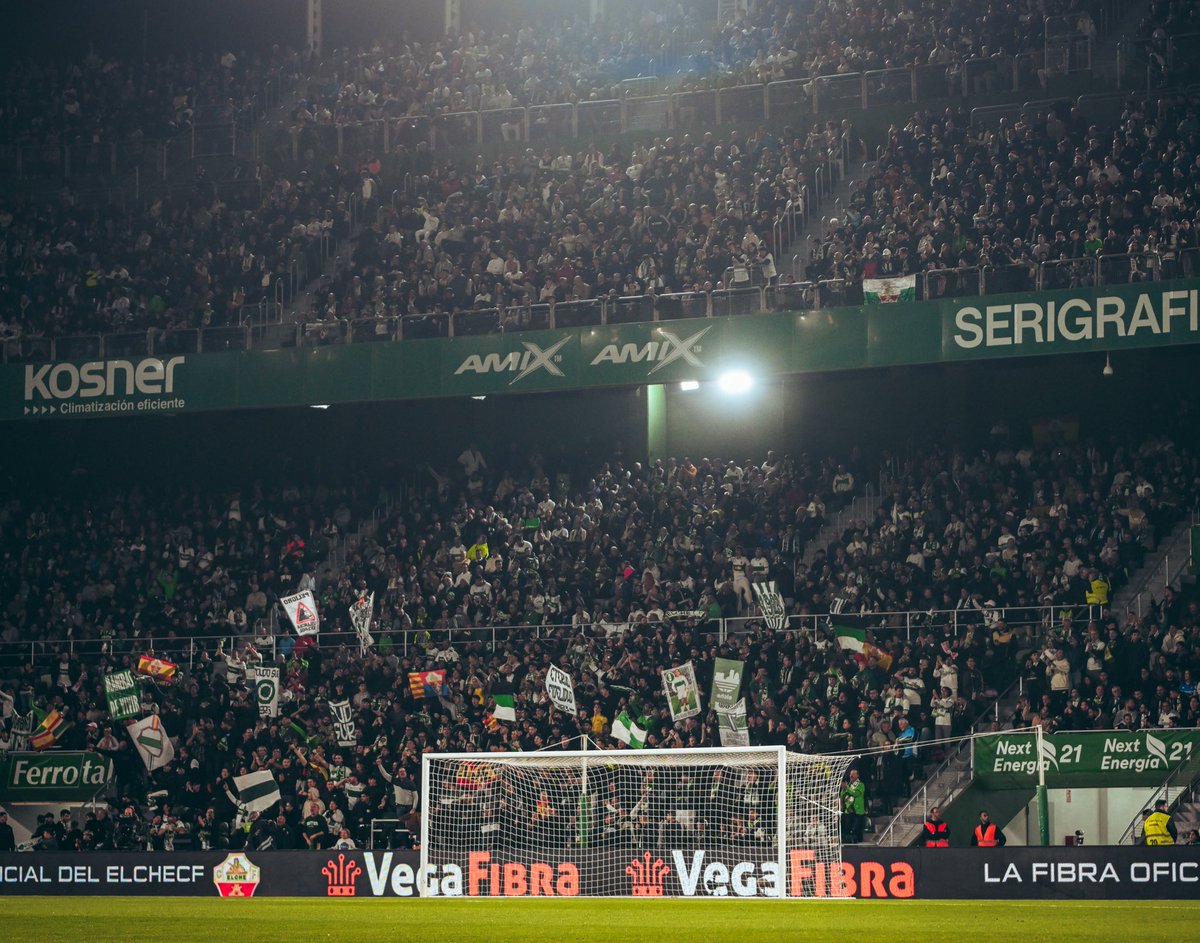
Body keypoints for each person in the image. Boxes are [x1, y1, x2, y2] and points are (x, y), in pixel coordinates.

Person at [840, 768, 866, 844]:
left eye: (853, 774)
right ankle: (847, 841)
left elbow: (855, 794)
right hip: (848, 810)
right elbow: (842, 795)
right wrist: (843, 788)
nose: (851, 775)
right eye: (850, 774)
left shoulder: (861, 785)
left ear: (857, 775)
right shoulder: (849, 785)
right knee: (847, 828)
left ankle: (855, 843)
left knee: (856, 828)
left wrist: (847, 788)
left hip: (857, 810)